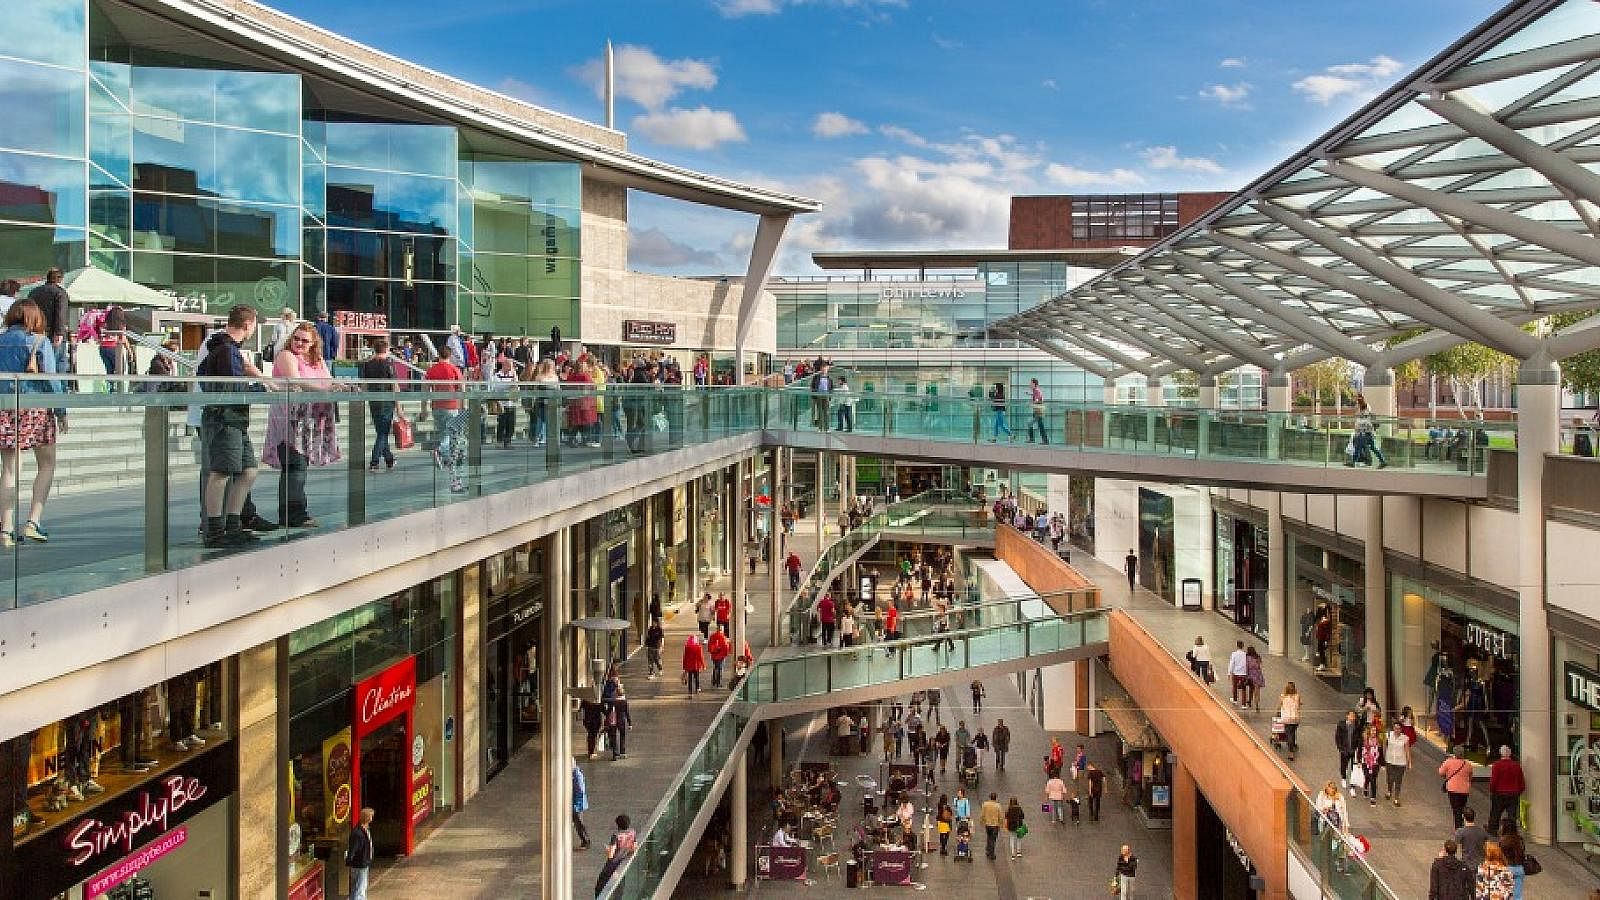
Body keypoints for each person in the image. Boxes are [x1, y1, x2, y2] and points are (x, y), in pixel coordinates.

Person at [197, 305, 268, 548]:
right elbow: (231, 387)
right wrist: (258, 387)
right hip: (224, 418)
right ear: (248, 325)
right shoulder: (226, 350)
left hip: (233, 418)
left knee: (248, 470)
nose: (253, 330)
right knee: (221, 472)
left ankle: (232, 523)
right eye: (254, 326)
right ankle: (215, 530)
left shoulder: (221, 348)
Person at [0, 301, 65, 546]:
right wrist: (61, 411)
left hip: (5, 407)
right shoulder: (39, 341)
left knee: (9, 469)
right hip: (35, 407)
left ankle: (5, 530)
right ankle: (32, 522)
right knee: (47, 463)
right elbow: (51, 380)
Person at [266, 323, 341, 528]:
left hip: (308, 420)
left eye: (304, 340)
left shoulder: (317, 360)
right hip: (288, 418)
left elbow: (328, 380)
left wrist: (336, 386)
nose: (299, 343)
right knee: (294, 466)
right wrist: (327, 389)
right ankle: (293, 515)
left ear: (313, 343)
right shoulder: (286, 356)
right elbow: (295, 381)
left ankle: (297, 512)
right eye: (296, 338)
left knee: (300, 465)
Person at [424, 350, 468, 493]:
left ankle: (445, 457)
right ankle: (440, 451)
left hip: (437, 406)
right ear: (450, 355)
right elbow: (462, 388)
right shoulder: (454, 369)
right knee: (452, 437)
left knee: (444, 433)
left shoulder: (431, 370)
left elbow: (425, 389)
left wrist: (423, 408)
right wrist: (464, 405)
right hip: (452, 406)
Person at [358, 338, 401, 472]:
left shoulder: (367, 364)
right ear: (386, 349)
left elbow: (364, 384)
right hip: (386, 401)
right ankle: (374, 461)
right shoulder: (389, 364)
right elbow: (394, 386)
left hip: (373, 401)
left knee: (380, 431)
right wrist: (399, 406)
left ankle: (389, 459)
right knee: (383, 432)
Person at [27, 267, 70, 353]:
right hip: (53, 334)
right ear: (60, 279)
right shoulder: (60, 293)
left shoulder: (33, 292)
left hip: (35, 332)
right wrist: (59, 333)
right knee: (58, 363)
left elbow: (29, 312)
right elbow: (60, 313)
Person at [595, 814, 637, 897]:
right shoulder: (632, 832)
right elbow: (634, 847)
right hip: (622, 862)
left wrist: (607, 849)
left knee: (600, 887)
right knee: (619, 886)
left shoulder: (616, 836)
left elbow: (611, 855)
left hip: (612, 865)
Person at [1314, 781, 1351, 874]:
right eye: (1330, 788)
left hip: (1337, 823)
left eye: (1333, 788)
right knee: (1327, 842)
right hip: (1325, 823)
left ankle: (1338, 861)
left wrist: (1346, 825)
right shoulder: (1322, 795)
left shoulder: (1340, 797)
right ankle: (1326, 860)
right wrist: (1325, 808)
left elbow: (1344, 812)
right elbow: (1318, 807)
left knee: (1338, 842)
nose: (1332, 790)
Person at [1487, 746, 1525, 833]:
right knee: (1512, 814)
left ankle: (1493, 829)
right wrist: (1519, 791)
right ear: (1510, 754)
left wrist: (1492, 790)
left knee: (1495, 812)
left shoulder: (1497, 765)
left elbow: (1494, 780)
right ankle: (1511, 831)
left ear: (1501, 753)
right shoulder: (1516, 765)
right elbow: (1521, 780)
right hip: (1513, 793)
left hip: (1499, 793)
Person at [1440, 745, 1475, 829]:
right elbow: (1470, 777)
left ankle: (1458, 828)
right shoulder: (1468, 764)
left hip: (1453, 789)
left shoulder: (1449, 762)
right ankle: (1463, 823)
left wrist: (1448, 775)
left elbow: (1441, 772)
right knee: (1462, 808)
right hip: (1464, 790)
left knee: (1456, 809)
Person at [345, 807, 375, 900]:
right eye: (371, 816)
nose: (372, 818)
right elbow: (353, 849)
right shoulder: (358, 833)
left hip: (363, 863)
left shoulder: (365, 830)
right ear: (367, 818)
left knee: (359, 887)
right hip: (359, 864)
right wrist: (350, 861)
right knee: (359, 889)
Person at [1383, 718, 1412, 807]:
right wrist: (1383, 758)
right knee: (1390, 778)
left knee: (1398, 780)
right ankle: (1389, 791)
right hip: (1390, 760)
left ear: (1401, 729)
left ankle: (1396, 797)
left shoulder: (1405, 738)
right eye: (1395, 728)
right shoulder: (1388, 735)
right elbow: (1384, 746)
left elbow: (1407, 750)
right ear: (1393, 728)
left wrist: (1409, 762)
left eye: (1399, 728)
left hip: (1400, 762)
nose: (1397, 730)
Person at [1498, 821, 1527, 900]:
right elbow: (1522, 852)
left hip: (1507, 868)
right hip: (1519, 868)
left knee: (1504, 894)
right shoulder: (1520, 839)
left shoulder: (1503, 840)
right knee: (1517, 896)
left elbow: (1500, 855)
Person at [1335, 710, 1362, 789]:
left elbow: (1359, 737)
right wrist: (1340, 748)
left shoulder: (1357, 726)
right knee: (1344, 765)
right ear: (1347, 716)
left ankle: (1353, 782)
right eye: (1351, 715)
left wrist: (1358, 748)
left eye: (1354, 716)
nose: (1352, 718)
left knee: (1354, 766)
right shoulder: (1341, 724)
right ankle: (1343, 778)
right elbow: (1338, 737)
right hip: (1344, 749)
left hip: (1354, 749)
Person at [1457, 806, 1489, 870]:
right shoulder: (1482, 831)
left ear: (1463, 816)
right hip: (1481, 863)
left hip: (1467, 863)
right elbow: (1487, 847)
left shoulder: (1460, 832)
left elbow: (1455, 847)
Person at [1358, 724, 1382, 806]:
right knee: (1367, 777)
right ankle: (1365, 788)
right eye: (1372, 730)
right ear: (1369, 731)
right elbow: (1359, 751)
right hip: (1366, 762)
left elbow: (1381, 752)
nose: (1373, 732)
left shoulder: (1379, 741)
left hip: (1375, 763)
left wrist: (1382, 764)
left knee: (1373, 779)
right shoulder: (1364, 740)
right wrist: (1358, 761)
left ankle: (1373, 797)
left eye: (1375, 731)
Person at [606, 685, 631, 760]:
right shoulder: (624, 702)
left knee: (614, 737)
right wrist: (630, 723)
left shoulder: (613, 702)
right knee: (622, 736)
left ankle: (615, 754)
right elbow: (627, 713)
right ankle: (622, 752)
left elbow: (608, 712)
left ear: (616, 693)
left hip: (613, 721)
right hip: (622, 721)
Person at [1277, 682, 1301, 760]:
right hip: (1295, 718)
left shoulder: (1283, 696)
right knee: (1293, 731)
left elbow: (1279, 706)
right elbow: (1299, 704)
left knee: (1289, 735)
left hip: (1286, 718)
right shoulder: (1297, 696)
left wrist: (1278, 713)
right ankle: (1293, 744)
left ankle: (1291, 752)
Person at [572, 761, 592, 850]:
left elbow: (580, 791)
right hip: (576, 803)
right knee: (577, 822)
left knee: (579, 822)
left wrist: (576, 805)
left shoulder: (576, 775)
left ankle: (586, 841)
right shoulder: (575, 774)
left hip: (577, 804)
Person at [809, 362, 832, 432]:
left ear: (827, 369)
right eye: (823, 368)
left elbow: (831, 388)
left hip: (826, 396)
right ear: (821, 369)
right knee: (820, 412)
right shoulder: (816, 377)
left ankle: (827, 428)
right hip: (819, 395)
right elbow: (812, 386)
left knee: (826, 412)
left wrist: (830, 397)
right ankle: (820, 428)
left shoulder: (829, 378)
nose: (824, 370)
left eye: (825, 368)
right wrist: (814, 395)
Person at [980, 792, 1003, 860]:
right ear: (996, 798)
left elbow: (982, 814)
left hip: (988, 824)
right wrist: (1001, 824)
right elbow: (1000, 816)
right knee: (993, 839)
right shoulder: (998, 806)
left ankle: (987, 850)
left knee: (989, 837)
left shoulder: (985, 804)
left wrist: (982, 821)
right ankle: (991, 853)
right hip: (995, 825)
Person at [1026, 377, 1048, 444]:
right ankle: (1043, 440)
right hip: (1037, 411)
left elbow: (1037, 399)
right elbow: (1036, 396)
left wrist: (1031, 403)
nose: (1030, 384)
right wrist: (1030, 394)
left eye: (1031, 383)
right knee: (1038, 425)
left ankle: (1043, 440)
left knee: (1036, 424)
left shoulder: (1036, 390)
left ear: (1034, 384)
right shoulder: (1035, 390)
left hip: (1039, 411)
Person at [1228, 640, 1250, 706]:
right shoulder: (1245, 654)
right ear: (1243, 646)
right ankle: (1244, 704)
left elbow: (1231, 664)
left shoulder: (1234, 654)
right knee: (1243, 689)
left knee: (1234, 686)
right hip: (1243, 673)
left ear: (1237, 646)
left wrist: (1229, 672)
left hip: (1236, 673)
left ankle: (1235, 700)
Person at [1245, 646, 1266, 712]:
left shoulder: (1247, 658)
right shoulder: (1258, 657)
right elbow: (1260, 666)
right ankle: (1257, 705)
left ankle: (1250, 701)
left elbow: (1247, 667)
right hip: (1258, 676)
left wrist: (1246, 676)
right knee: (1257, 691)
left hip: (1251, 675)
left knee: (1251, 688)